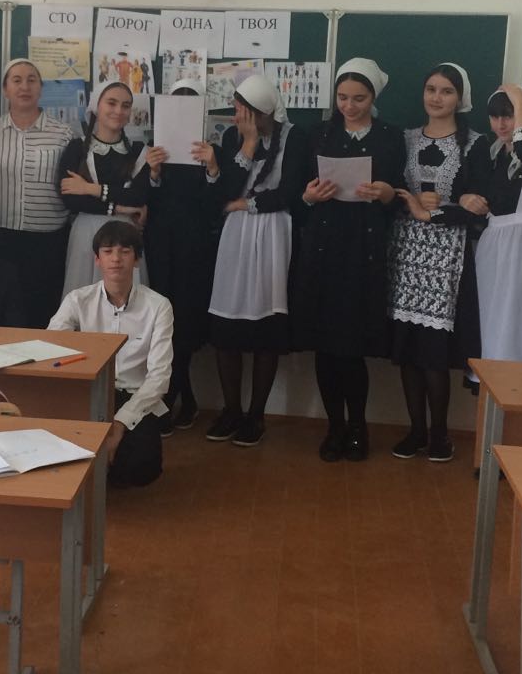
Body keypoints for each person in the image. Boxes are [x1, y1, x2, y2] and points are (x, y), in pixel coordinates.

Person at [291, 58, 406, 461]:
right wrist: (310, 196)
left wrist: (386, 193)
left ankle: (358, 426)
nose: (349, 106)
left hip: (364, 250)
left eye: (359, 98)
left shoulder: (390, 137)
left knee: (352, 347)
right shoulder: (317, 133)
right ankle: (334, 426)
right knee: (325, 346)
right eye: (342, 97)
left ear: (373, 97)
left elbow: (399, 194)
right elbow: (296, 196)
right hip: (323, 250)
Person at [388, 63, 490, 462]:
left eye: (446, 91)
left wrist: (441, 207)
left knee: (433, 351)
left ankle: (440, 434)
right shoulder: (405, 139)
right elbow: (392, 191)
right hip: (407, 251)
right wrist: (410, 201)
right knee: (408, 349)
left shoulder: (475, 144)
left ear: (460, 98)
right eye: (430, 89)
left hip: (447, 257)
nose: (436, 97)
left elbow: (480, 207)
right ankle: (415, 430)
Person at [203, 74, 304, 448]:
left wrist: (248, 203)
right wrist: (247, 143)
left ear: (263, 111)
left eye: (244, 111)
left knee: (266, 328)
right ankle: (231, 410)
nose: (237, 117)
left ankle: (256, 415)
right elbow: (224, 191)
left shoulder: (294, 137)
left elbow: (290, 191)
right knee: (226, 324)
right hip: (235, 235)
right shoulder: (234, 137)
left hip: (274, 233)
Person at [48, 220, 172, 487]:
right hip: (90, 392)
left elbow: (159, 377)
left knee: (143, 467)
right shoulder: (77, 300)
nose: (116, 259)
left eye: (125, 252)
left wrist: (120, 424)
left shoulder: (159, 306)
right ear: (97, 260)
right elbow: (51, 346)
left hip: (134, 397)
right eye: (107, 252)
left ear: (137, 260)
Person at [463, 84, 522, 364]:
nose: (502, 124)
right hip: (491, 247)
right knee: (491, 316)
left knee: (520, 316)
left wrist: (520, 103)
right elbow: (468, 188)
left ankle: (520, 382)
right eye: (495, 116)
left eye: (510, 115)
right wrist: (465, 197)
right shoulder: (489, 156)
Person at [145, 79, 220, 435]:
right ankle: (181, 398)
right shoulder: (154, 148)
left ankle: (173, 398)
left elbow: (215, 205)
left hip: (195, 248)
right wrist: (153, 173)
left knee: (186, 322)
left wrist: (212, 169)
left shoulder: (211, 149)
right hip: (160, 245)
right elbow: (145, 199)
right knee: (160, 323)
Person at [0, 59, 75, 327]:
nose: (24, 87)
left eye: (31, 80)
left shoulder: (63, 133)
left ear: (41, 88)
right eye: (16, 80)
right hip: (1, 238)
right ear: (5, 89)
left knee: (43, 312)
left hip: (48, 241)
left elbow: (72, 185)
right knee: (3, 313)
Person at [58, 79, 149, 296]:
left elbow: (137, 196)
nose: (119, 111)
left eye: (126, 106)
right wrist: (119, 208)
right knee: (84, 298)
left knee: (127, 299)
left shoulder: (138, 150)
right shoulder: (77, 148)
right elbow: (71, 199)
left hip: (126, 235)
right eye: (111, 103)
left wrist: (91, 189)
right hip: (86, 233)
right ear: (96, 106)